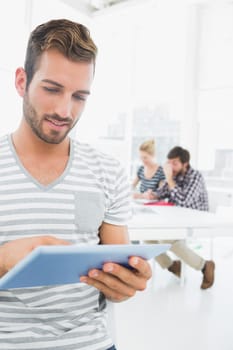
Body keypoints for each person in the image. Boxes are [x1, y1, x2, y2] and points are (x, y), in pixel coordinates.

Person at [0, 19, 152, 350]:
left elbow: (116, 274)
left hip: (91, 343)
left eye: (79, 96)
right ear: (21, 81)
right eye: (52, 89)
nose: (64, 110)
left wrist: (124, 284)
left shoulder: (107, 171)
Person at [145, 146, 215, 290]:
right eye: (169, 163)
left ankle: (205, 266)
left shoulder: (195, 176)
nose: (171, 166)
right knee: (148, 238)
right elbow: (162, 193)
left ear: (185, 164)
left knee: (168, 240)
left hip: (196, 219)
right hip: (177, 218)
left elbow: (183, 201)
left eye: (175, 163)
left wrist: (170, 179)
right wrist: (153, 194)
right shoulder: (174, 176)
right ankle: (173, 266)